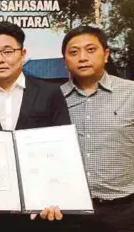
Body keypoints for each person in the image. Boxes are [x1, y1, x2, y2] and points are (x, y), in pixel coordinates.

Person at [0, 21, 71, 231]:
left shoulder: (49, 93)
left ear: (22, 54)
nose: (0, 59)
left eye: (7, 51)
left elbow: (62, 150)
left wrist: (57, 196)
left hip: (40, 210)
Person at [60, 25, 134, 232]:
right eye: (74, 52)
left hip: (123, 212)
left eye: (91, 50)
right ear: (65, 61)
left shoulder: (131, 93)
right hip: (68, 213)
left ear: (106, 54)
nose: (82, 57)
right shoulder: (53, 99)